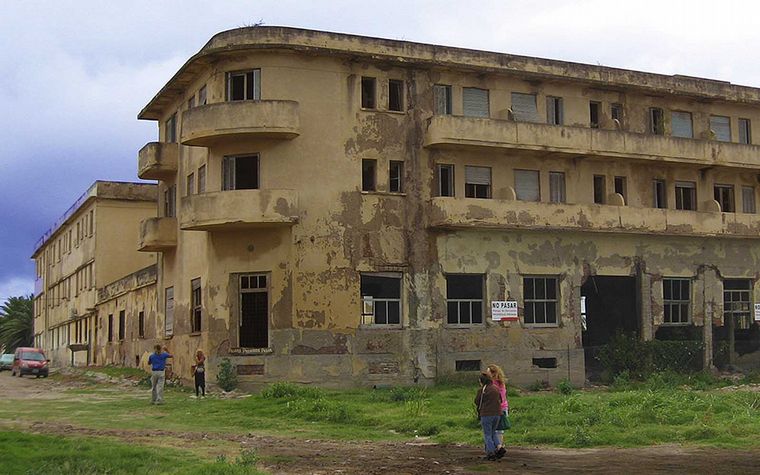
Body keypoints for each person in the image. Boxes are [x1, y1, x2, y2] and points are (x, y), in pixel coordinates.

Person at [474, 372, 502, 461]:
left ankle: (491, 453)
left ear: (481, 381)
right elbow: (501, 400)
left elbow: (476, 401)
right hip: (497, 414)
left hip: (486, 414)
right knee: (493, 432)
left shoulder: (482, 390)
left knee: (487, 434)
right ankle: (499, 447)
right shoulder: (496, 388)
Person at [487, 364, 509, 459]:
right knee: (500, 430)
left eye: (488, 372)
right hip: (504, 407)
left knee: (493, 430)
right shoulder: (502, 383)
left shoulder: (492, 384)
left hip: (495, 408)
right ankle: (500, 447)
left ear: (492, 373)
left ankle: (495, 449)